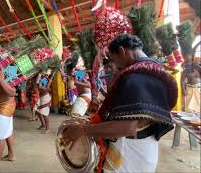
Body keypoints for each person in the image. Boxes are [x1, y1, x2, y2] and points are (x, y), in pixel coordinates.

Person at [63, 34, 177, 172]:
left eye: (114, 59)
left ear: (122, 51)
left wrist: (83, 130)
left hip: (129, 151)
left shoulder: (135, 77)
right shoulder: (154, 70)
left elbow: (127, 128)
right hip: (146, 146)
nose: (116, 65)